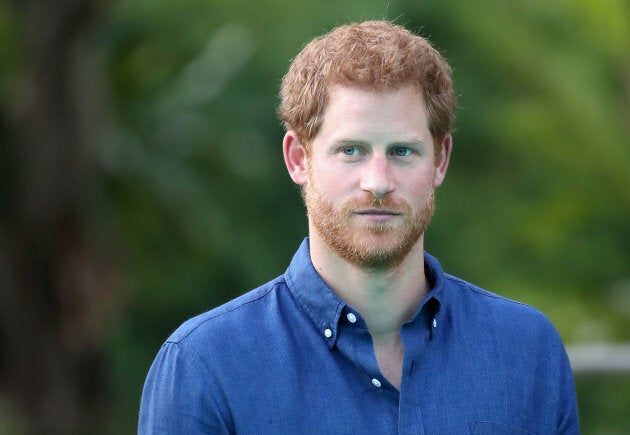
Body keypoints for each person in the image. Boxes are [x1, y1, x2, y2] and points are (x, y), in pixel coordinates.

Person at [139, 20, 580, 434]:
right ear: (298, 159)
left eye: (403, 151)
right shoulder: (205, 366)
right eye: (351, 150)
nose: (379, 182)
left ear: (441, 159)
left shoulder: (527, 352)